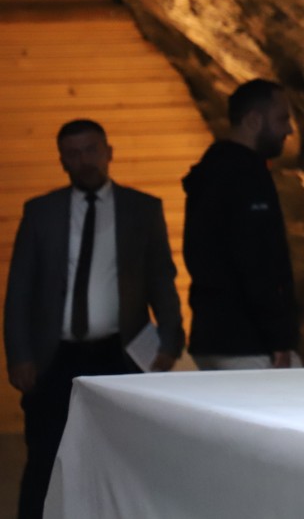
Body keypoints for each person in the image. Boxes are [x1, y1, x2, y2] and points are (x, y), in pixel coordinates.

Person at [4, 119, 183, 519]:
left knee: (124, 457)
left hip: (120, 352)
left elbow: (160, 277)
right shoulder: (41, 212)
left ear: (108, 152)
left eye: (91, 150)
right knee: (45, 456)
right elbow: (20, 290)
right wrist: (19, 355)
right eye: (73, 153)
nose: (84, 160)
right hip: (54, 355)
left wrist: (170, 339)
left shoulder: (142, 209)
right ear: (62, 161)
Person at [182, 79, 300, 370]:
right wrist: (278, 338)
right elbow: (256, 261)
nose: (289, 130)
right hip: (247, 344)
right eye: (282, 119)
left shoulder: (211, 170)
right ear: (253, 120)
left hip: (212, 337)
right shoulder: (243, 176)